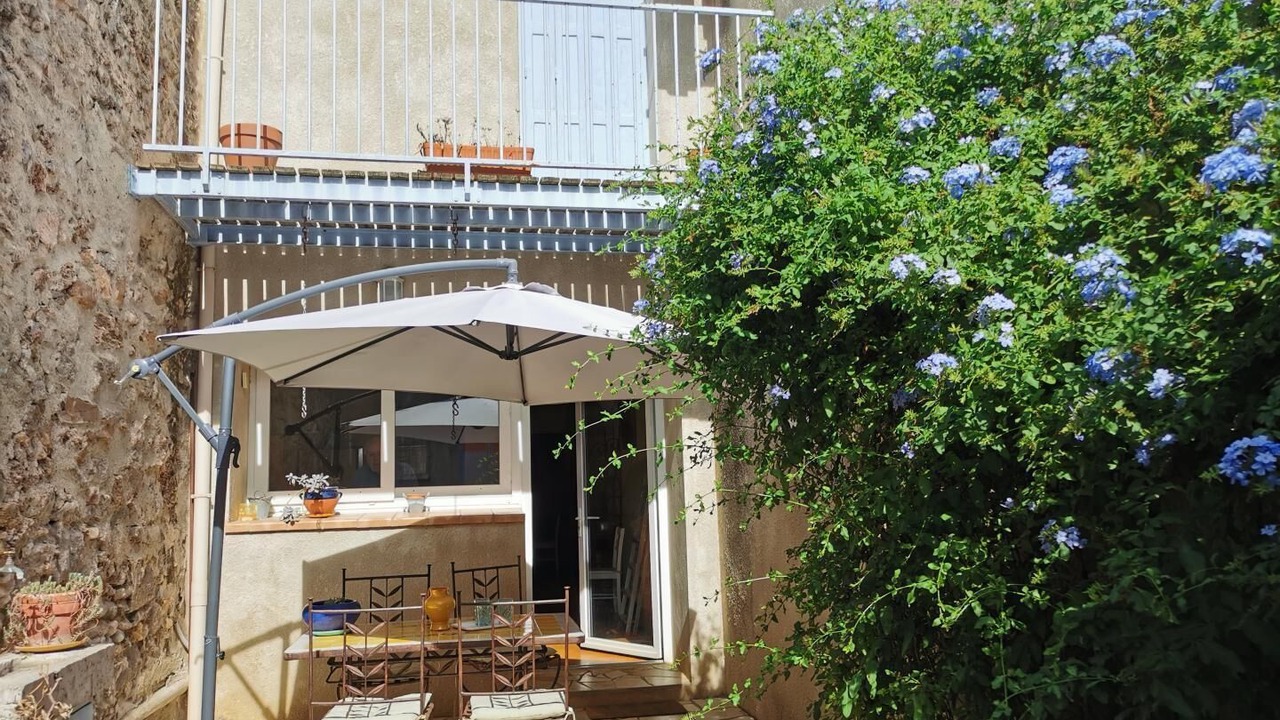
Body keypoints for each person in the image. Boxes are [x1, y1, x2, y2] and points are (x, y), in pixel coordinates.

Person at [350, 437, 418, 487]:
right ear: (366, 456)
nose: (376, 458)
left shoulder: (404, 470)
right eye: (371, 455)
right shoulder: (361, 475)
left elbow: (412, 494)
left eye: (379, 454)